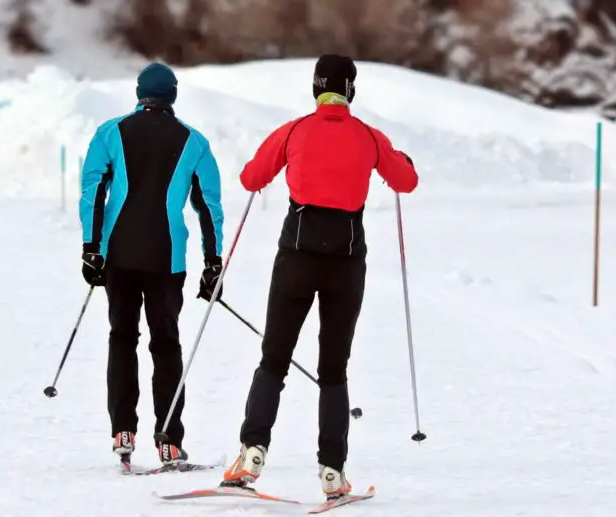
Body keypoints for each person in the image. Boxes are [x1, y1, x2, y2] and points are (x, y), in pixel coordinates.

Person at [220, 54, 419, 498]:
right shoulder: (368, 137)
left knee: (274, 357)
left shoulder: (294, 130)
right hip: (346, 265)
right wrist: (400, 158)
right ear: (350, 90)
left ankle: (252, 452)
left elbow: (251, 178)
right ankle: (332, 471)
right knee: (334, 369)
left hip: (296, 258)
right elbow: (406, 181)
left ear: (315, 88)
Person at [79, 62, 225, 467]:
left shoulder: (110, 132)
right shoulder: (193, 142)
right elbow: (208, 207)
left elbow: (93, 190)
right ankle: (169, 440)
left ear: (139, 93)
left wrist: (91, 248)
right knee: (166, 344)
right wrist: (214, 263)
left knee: (121, 338)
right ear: (172, 95)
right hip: (167, 258)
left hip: (119, 256)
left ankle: (122, 430)